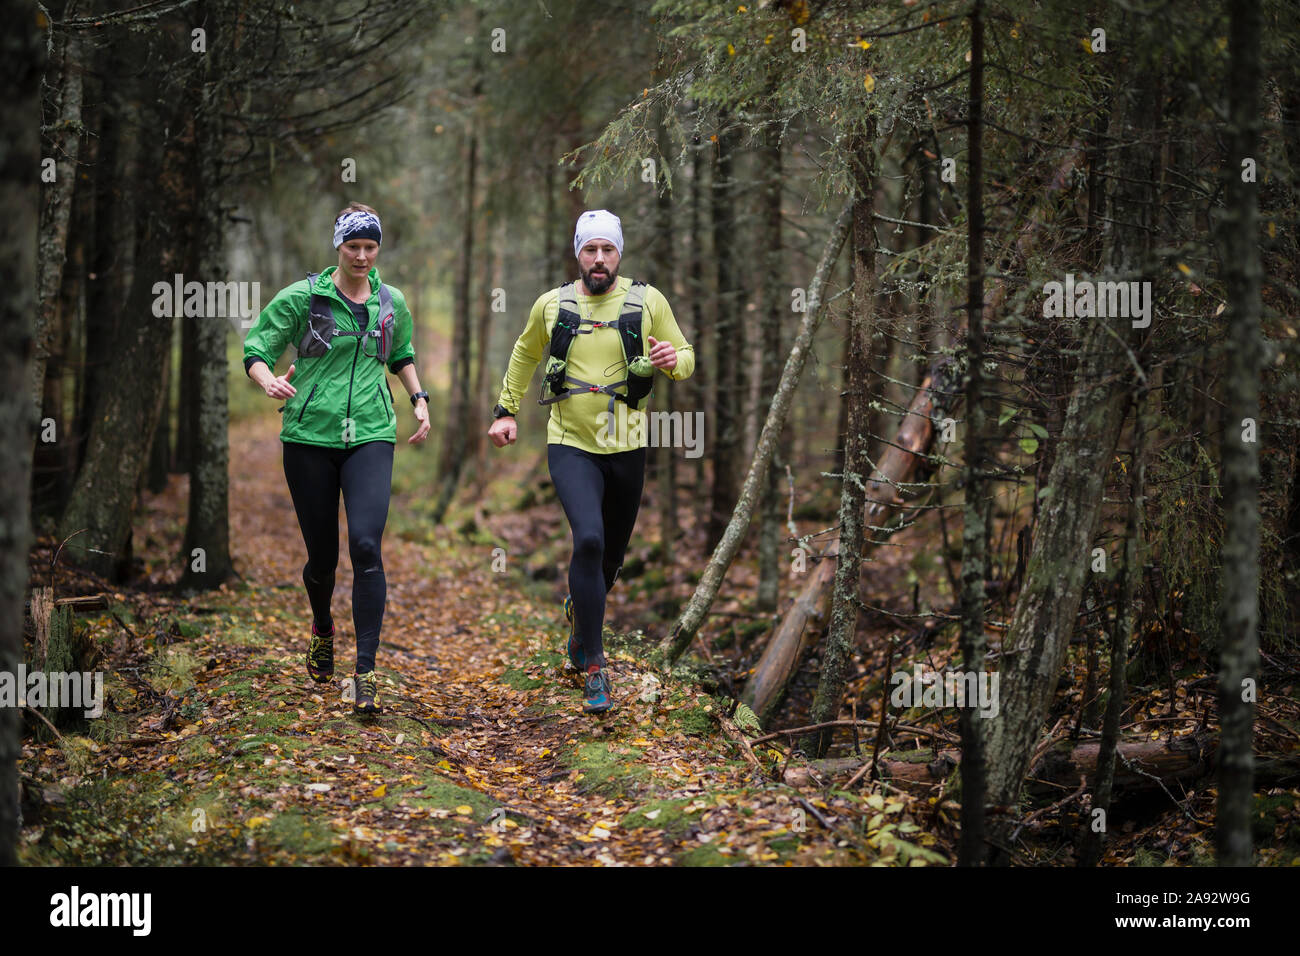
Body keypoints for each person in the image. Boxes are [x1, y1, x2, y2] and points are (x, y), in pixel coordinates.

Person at [488, 209, 695, 713]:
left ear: (618, 254)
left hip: (627, 444)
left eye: (607, 249)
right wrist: (506, 410)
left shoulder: (648, 302)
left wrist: (673, 361)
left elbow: (686, 358)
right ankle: (595, 667)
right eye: (589, 249)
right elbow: (523, 354)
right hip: (570, 442)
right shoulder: (552, 305)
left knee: (611, 559)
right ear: (577, 253)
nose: (598, 259)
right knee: (589, 538)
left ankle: (581, 621)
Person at [243, 202, 430, 715]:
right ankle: (322, 627)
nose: (363, 256)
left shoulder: (391, 302)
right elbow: (257, 348)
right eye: (354, 247)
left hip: (370, 434)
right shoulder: (303, 298)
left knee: (367, 546)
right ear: (338, 247)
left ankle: (364, 673)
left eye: (371, 247)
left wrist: (419, 398)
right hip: (309, 437)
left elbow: (401, 354)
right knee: (323, 558)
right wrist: (268, 379)